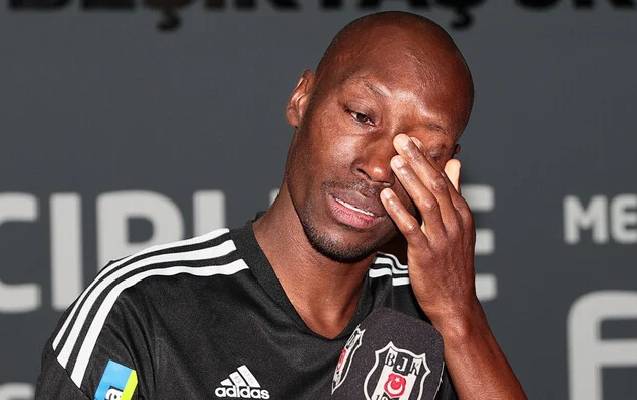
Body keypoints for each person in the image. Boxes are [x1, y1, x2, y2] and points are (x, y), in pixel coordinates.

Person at [36, 11, 527, 400]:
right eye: (361, 115)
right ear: (301, 100)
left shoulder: (433, 323)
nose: (380, 167)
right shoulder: (142, 309)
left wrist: (459, 315)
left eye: (421, 150)